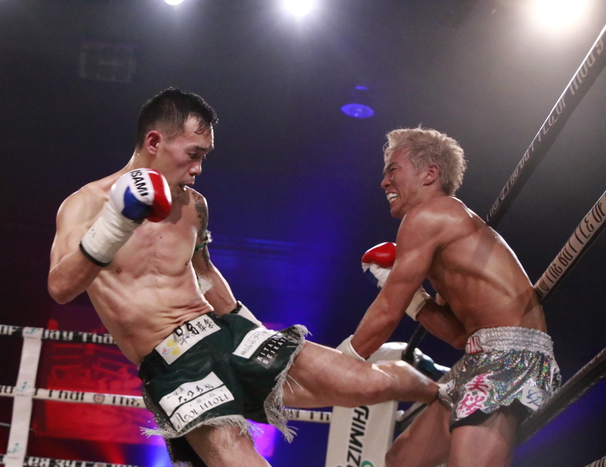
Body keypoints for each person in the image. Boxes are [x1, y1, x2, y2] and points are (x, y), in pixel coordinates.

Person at [47, 88, 438, 467]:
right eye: (193, 154)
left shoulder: (194, 204)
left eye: (204, 156)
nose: (198, 169)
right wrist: (116, 223)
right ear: (154, 141)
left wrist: (248, 325)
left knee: (365, 383)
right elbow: (60, 288)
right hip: (173, 364)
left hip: (224, 331)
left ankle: (446, 389)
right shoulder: (87, 204)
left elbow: (204, 273)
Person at [343, 127, 561, 466]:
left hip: (512, 357)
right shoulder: (445, 229)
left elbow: (387, 311)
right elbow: (459, 336)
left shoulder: (429, 216)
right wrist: (415, 300)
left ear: (429, 174)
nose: (384, 182)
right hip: (480, 356)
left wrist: (342, 361)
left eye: (393, 170)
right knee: (401, 461)